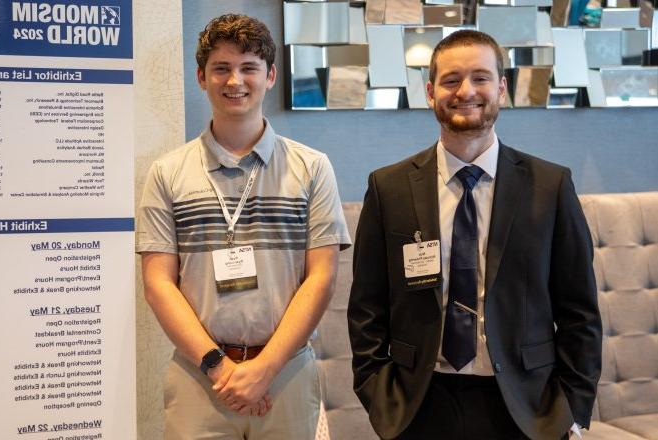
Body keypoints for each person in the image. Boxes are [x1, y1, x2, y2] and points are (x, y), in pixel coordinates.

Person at [348, 29, 601, 440]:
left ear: (501, 88)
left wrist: (571, 409)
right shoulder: (388, 187)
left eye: (481, 78)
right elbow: (366, 309)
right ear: (430, 92)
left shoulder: (550, 186)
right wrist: (380, 396)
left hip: (526, 407)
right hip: (420, 406)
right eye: (451, 80)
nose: (466, 91)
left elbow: (580, 312)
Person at [137, 13, 351, 440]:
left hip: (286, 375)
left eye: (249, 67)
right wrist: (220, 367)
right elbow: (158, 283)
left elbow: (322, 277)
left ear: (270, 76)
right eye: (221, 67)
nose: (235, 80)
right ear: (201, 77)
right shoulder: (167, 173)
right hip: (199, 377)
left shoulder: (312, 168)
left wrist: (265, 368)